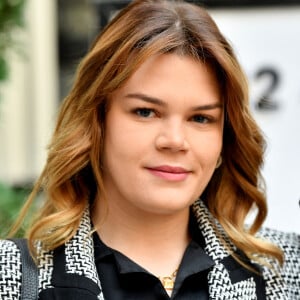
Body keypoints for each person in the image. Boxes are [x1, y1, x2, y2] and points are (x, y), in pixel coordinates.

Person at [1, 0, 299, 299]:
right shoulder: (12, 277)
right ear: (96, 122)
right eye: (145, 112)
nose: (174, 140)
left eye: (201, 118)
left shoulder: (285, 272)